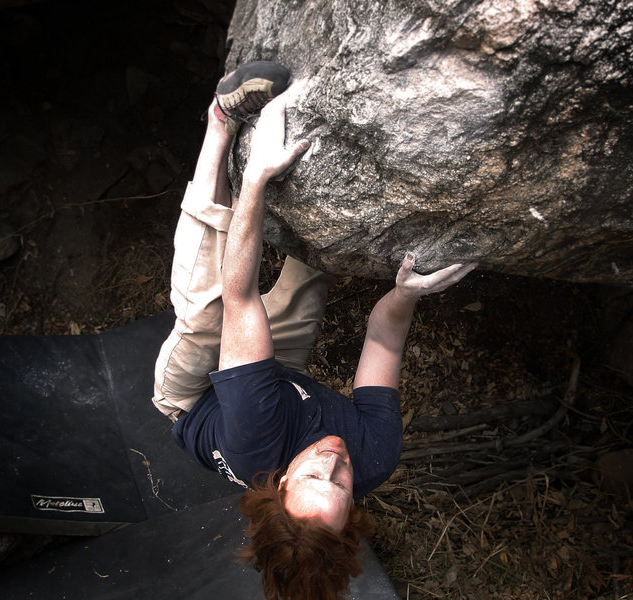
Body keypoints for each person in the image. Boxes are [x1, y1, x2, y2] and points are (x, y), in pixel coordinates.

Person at [152, 61, 476, 600]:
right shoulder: (375, 453)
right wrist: (404, 295)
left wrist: (256, 175)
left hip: (191, 396)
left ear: (281, 483)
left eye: (312, 477)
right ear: (355, 506)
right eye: (342, 485)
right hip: (281, 385)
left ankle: (219, 119)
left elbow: (240, 297)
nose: (333, 461)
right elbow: (383, 340)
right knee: (312, 271)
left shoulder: (255, 433)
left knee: (208, 299)